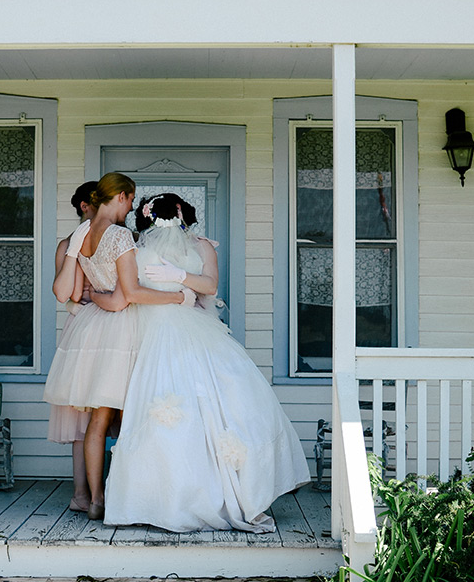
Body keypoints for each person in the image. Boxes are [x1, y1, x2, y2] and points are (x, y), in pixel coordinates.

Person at [100, 193, 311, 533]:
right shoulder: (136, 248)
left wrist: (180, 275)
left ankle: (224, 494)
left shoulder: (202, 246)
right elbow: (129, 292)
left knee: (224, 405)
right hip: (155, 333)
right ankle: (162, 501)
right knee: (166, 413)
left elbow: (210, 287)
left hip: (195, 330)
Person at [44, 173, 195, 521]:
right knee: (135, 415)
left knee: (98, 420)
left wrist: (99, 296)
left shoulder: (81, 236)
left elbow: (73, 293)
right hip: (126, 328)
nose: (131, 207)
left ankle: (95, 500)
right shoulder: (119, 234)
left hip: (92, 330)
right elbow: (131, 293)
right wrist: (179, 296)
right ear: (123, 197)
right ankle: (134, 495)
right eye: (131, 200)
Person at [45, 181, 99, 513]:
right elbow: (66, 294)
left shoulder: (124, 239)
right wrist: (74, 249)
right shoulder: (68, 243)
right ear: (84, 206)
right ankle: (81, 493)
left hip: (123, 324)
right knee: (82, 413)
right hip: (83, 329)